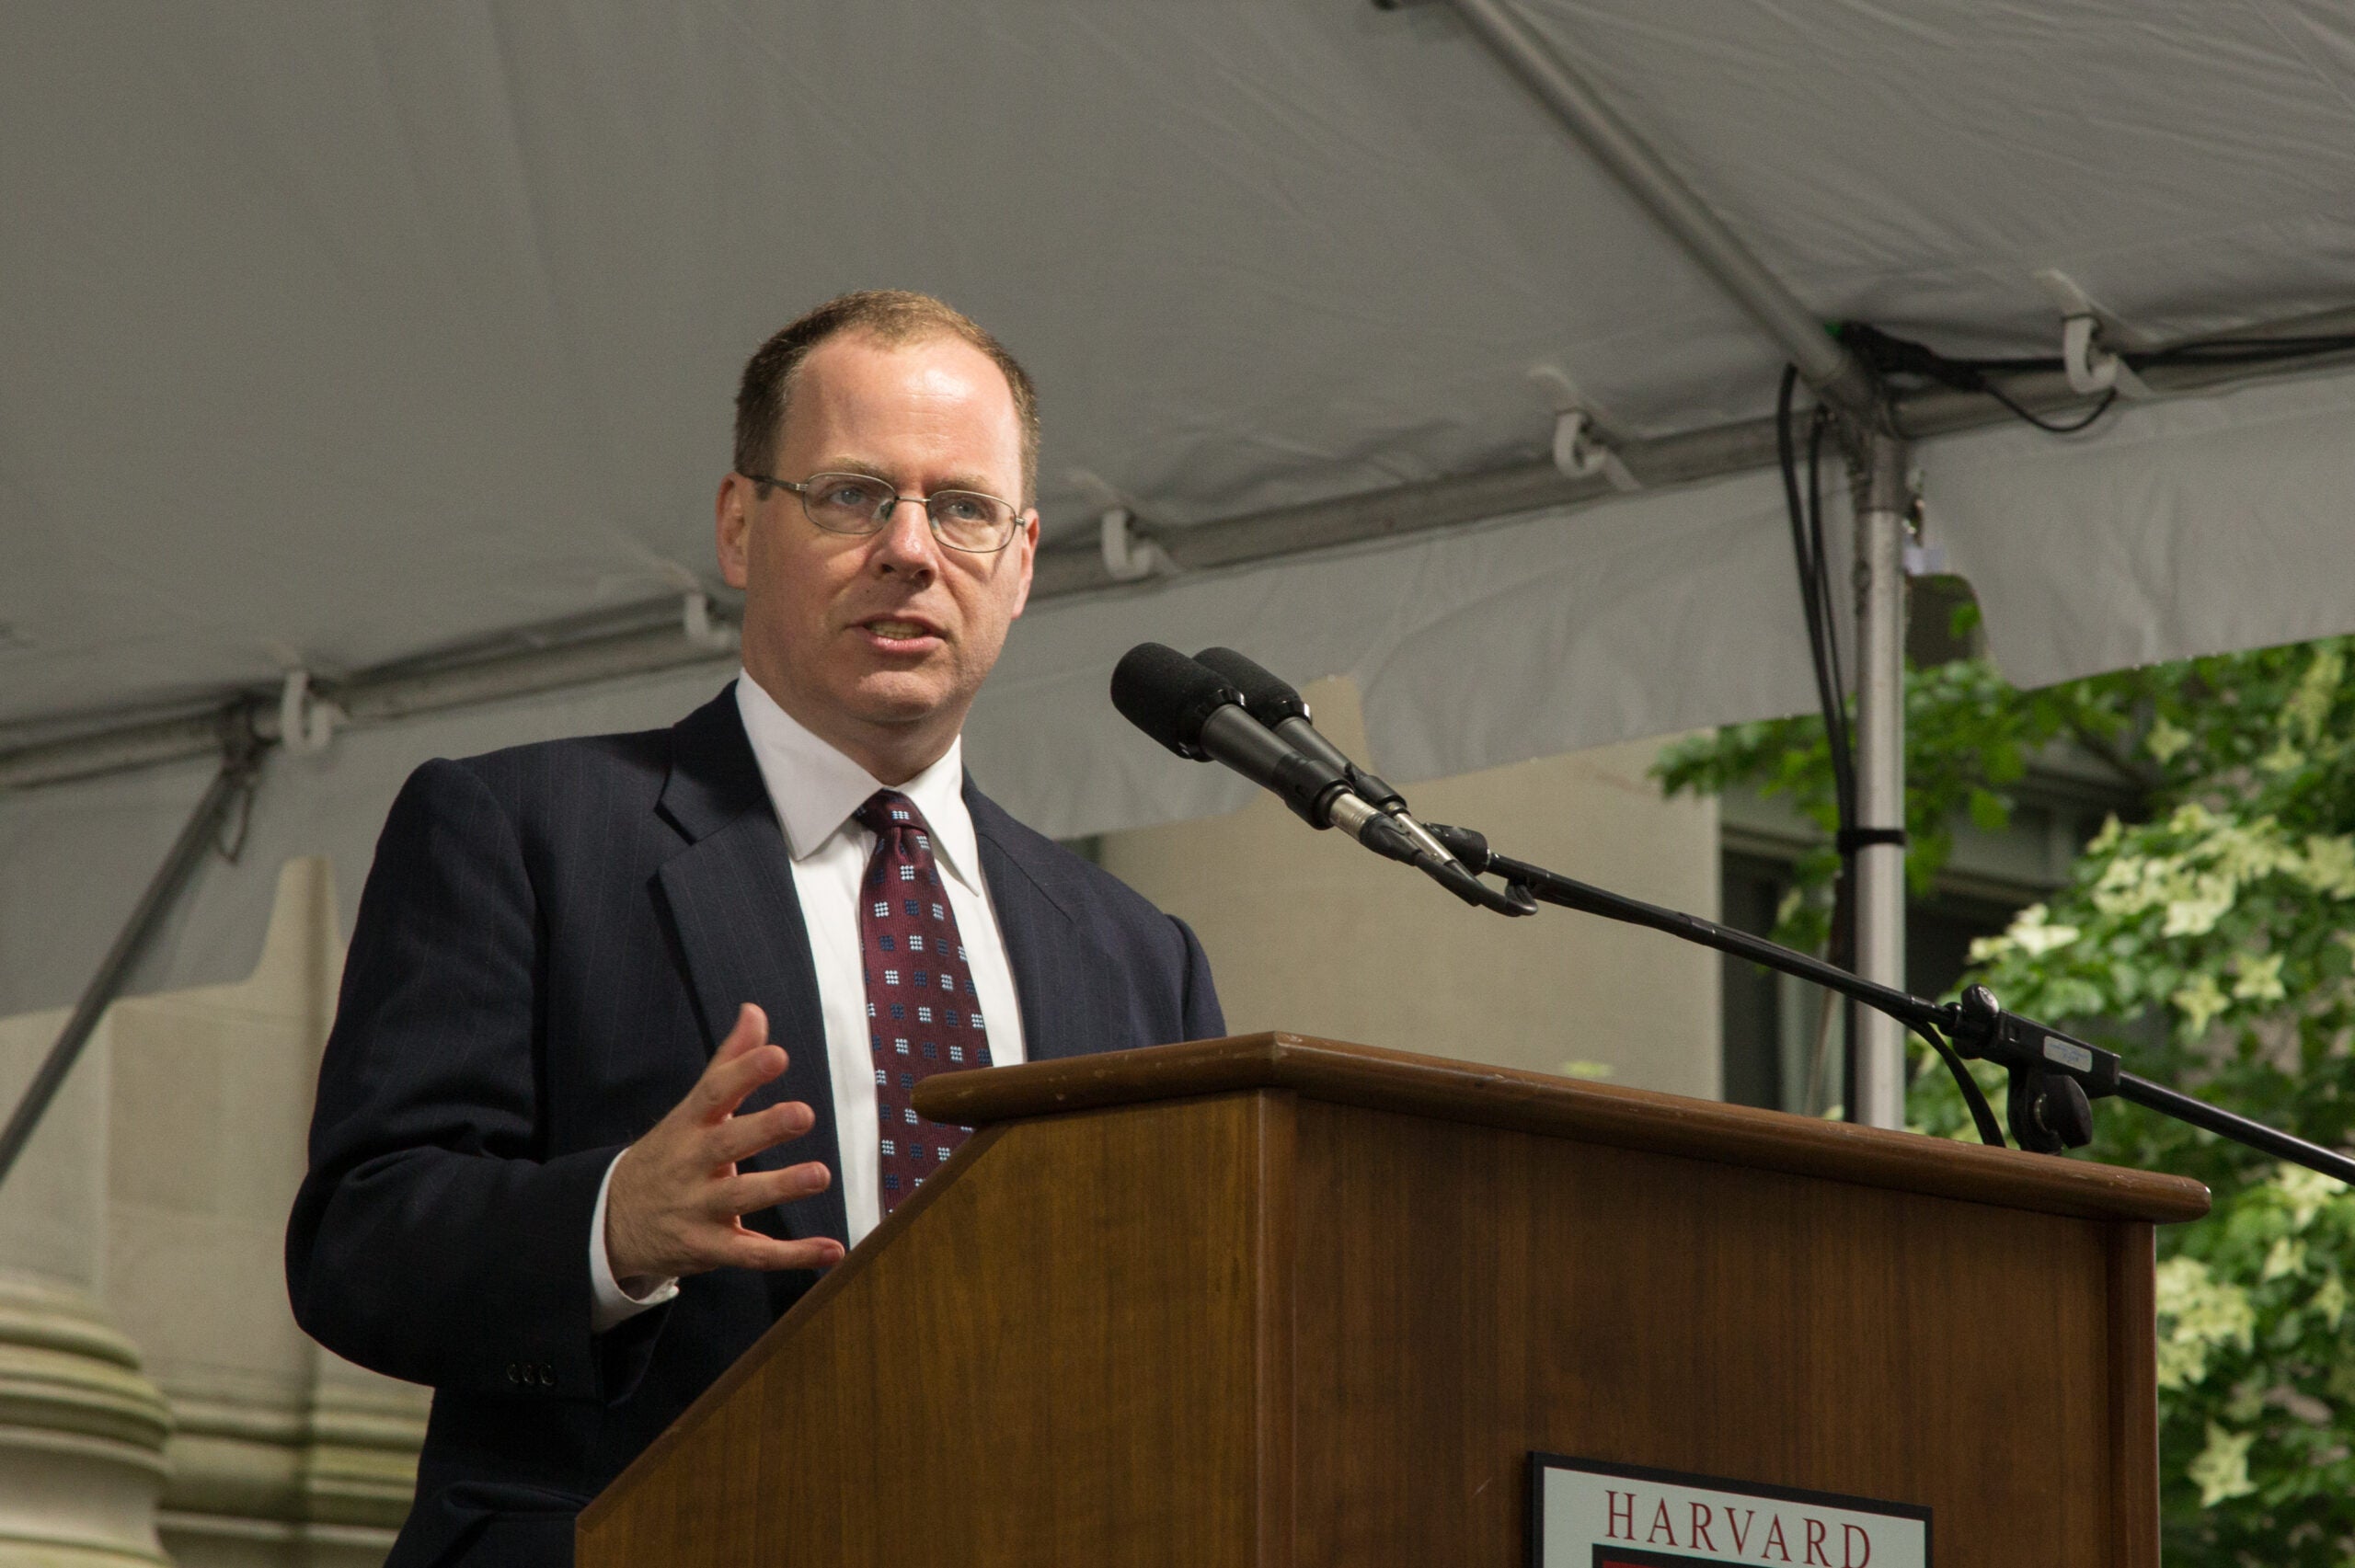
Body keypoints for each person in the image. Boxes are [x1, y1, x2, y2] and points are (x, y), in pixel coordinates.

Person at [285, 292, 1224, 1567]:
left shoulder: (1135, 954)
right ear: (741, 527)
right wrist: (608, 1223)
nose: (909, 548)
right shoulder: (522, 830)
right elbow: (359, 1242)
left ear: (1021, 558)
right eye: (850, 495)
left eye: (962, 507)